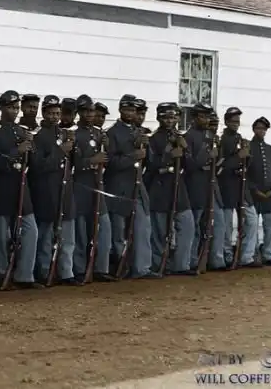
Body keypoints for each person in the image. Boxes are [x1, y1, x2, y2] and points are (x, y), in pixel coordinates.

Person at [0, 90, 42, 289]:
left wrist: (31, 147)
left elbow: (35, 163)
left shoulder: (22, 132)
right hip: (1, 189)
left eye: (17, 107)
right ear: (1, 108)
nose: (15, 111)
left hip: (21, 188)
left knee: (30, 231)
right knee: (1, 236)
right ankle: (0, 274)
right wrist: (16, 152)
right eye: (10, 107)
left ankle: (25, 275)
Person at [105, 94, 159, 279]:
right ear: (120, 110)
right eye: (127, 109)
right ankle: (121, 267)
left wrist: (146, 148)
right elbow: (111, 163)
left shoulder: (139, 132)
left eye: (133, 110)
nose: (130, 113)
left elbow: (150, 162)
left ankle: (142, 267)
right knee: (119, 231)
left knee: (142, 227)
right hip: (119, 186)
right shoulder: (112, 133)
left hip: (137, 184)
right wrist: (132, 155)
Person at [29, 95, 79, 285]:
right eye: (50, 113)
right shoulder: (37, 135)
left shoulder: (64, 134)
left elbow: (74, 162)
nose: (54, 117)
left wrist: (74, 148)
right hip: (46, 191)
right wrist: (60, 151)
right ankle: (44, 271)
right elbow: (38, 165)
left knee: (68, 237)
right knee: (46, 237)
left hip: (64, 190)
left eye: (57, 113)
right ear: (44, 113)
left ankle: (66, 272)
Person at [146, 103, 196, 275]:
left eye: (173, 117)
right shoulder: (153, 139)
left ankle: (181, 265)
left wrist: (185, 149)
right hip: (160, 188)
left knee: (187, 225)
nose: (170, 121)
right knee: (160, 231)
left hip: (178, 187)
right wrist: (169, 155)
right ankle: (160, 264)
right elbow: (151, 165)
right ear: (159, 118)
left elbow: (190, 166)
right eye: (166, 117)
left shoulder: (180, 138)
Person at [71, 95, 115, 282]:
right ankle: (80, 269)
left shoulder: (99, 134)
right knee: (81, 231)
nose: (89, 114)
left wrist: (106, 149)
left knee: (103, 229)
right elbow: (73, 164)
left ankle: (101, 268)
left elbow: (108, 159)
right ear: (79, 113)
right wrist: (91, 161)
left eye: (91, 111)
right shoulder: (74, 134)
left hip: (98, 185)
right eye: (85, 111)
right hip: (81, 187)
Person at [183, 103, 227, 271]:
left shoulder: (210, 135)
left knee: (218, 222)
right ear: (194, 118)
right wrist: (208, 156)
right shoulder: (188, 136)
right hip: (196, 185)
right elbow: (190, 165)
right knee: (195, 224)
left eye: (207, 116)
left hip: (211, 184)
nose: (206, 120)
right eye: (202, 116)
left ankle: (216, 259)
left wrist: (217, 153)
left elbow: (219, 161)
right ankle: (192, 260)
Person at [218, 107, 260, 268]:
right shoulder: (222, 140)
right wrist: (238, 157)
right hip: (227, 186)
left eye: (237, 121)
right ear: (226, 121)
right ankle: (228, 255)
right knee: (227, 225)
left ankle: (246, 256)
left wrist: (247, 155)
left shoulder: (239, 138)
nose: (236, 124)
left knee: (252, 219)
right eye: (233, 121)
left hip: (241, 185)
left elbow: (246, 163)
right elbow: (220, 167)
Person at [248, 117, 271, 266]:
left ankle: (269, 255)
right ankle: (254, 255)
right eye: (258, 128)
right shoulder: (248, 147)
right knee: (252, 226)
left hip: (269, 195)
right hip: (254, 194)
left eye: (263, 129)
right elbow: (245, 173)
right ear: (254, 129)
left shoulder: (270, 149)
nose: (261, 131)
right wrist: (254, 189)